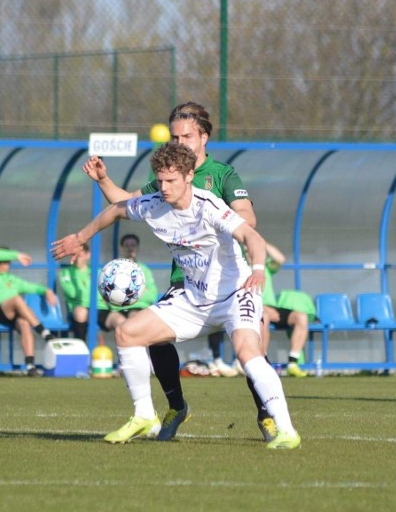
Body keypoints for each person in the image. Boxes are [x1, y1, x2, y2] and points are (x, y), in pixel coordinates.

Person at [52, 143, 301, 449]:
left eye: (171, 181)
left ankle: (286, 429)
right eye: (160, 180)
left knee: (248, 352)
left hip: (234, 295)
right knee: (127, 333)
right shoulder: (154, 203)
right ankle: (144, 415)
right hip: (193, 300)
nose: (164, 187)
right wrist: (80, 238)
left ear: (189, 176)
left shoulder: (207, 206)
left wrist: (259, 269)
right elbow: (116, 210)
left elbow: (251, 236)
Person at [83, 102, 280, 443]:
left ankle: (267, 415)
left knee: (253, 348)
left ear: (204, 137)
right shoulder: (166, 174)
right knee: (153, 338)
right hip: (186, 281)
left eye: (186, 135)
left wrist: (219, 222)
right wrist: (103, 179)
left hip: (230, 282)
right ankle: (176, 406)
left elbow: (248, 217)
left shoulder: (222, 175)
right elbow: (125, 202)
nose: (179, 142)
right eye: (174, 136)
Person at [57, 235, 158, 342]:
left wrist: (123, 296)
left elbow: (152, 295)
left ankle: (135, 353)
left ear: (88, 255)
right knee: (81, 312)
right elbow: (75, 293)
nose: (130, 248)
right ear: (121, 248)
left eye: (133, 245)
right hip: (112, 307)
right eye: (127, 245)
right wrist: (138, 291)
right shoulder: (115, 268)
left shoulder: (143, 270)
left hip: (107, 308)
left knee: (128, 321)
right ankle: (81, 351)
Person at [0, 247, 58, 377]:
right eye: (3, 262)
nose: (5, 265)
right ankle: (44, 332)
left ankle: (30, 366)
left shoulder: (11, 279)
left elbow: (31, 287)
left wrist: (47, 291)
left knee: (24, 323)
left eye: (7, 262)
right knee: (16, 299)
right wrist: (18, 255)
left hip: (10, 314)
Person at [261, 242, 314, 378]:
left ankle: (293, 363)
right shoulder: (238, 268)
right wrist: (262, 307)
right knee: (264, 316)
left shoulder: (264, 265)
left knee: (301, 317)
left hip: (273, 308)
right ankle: (262, 362)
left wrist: (262, 243)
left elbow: (280, 259)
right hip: (254, 307)